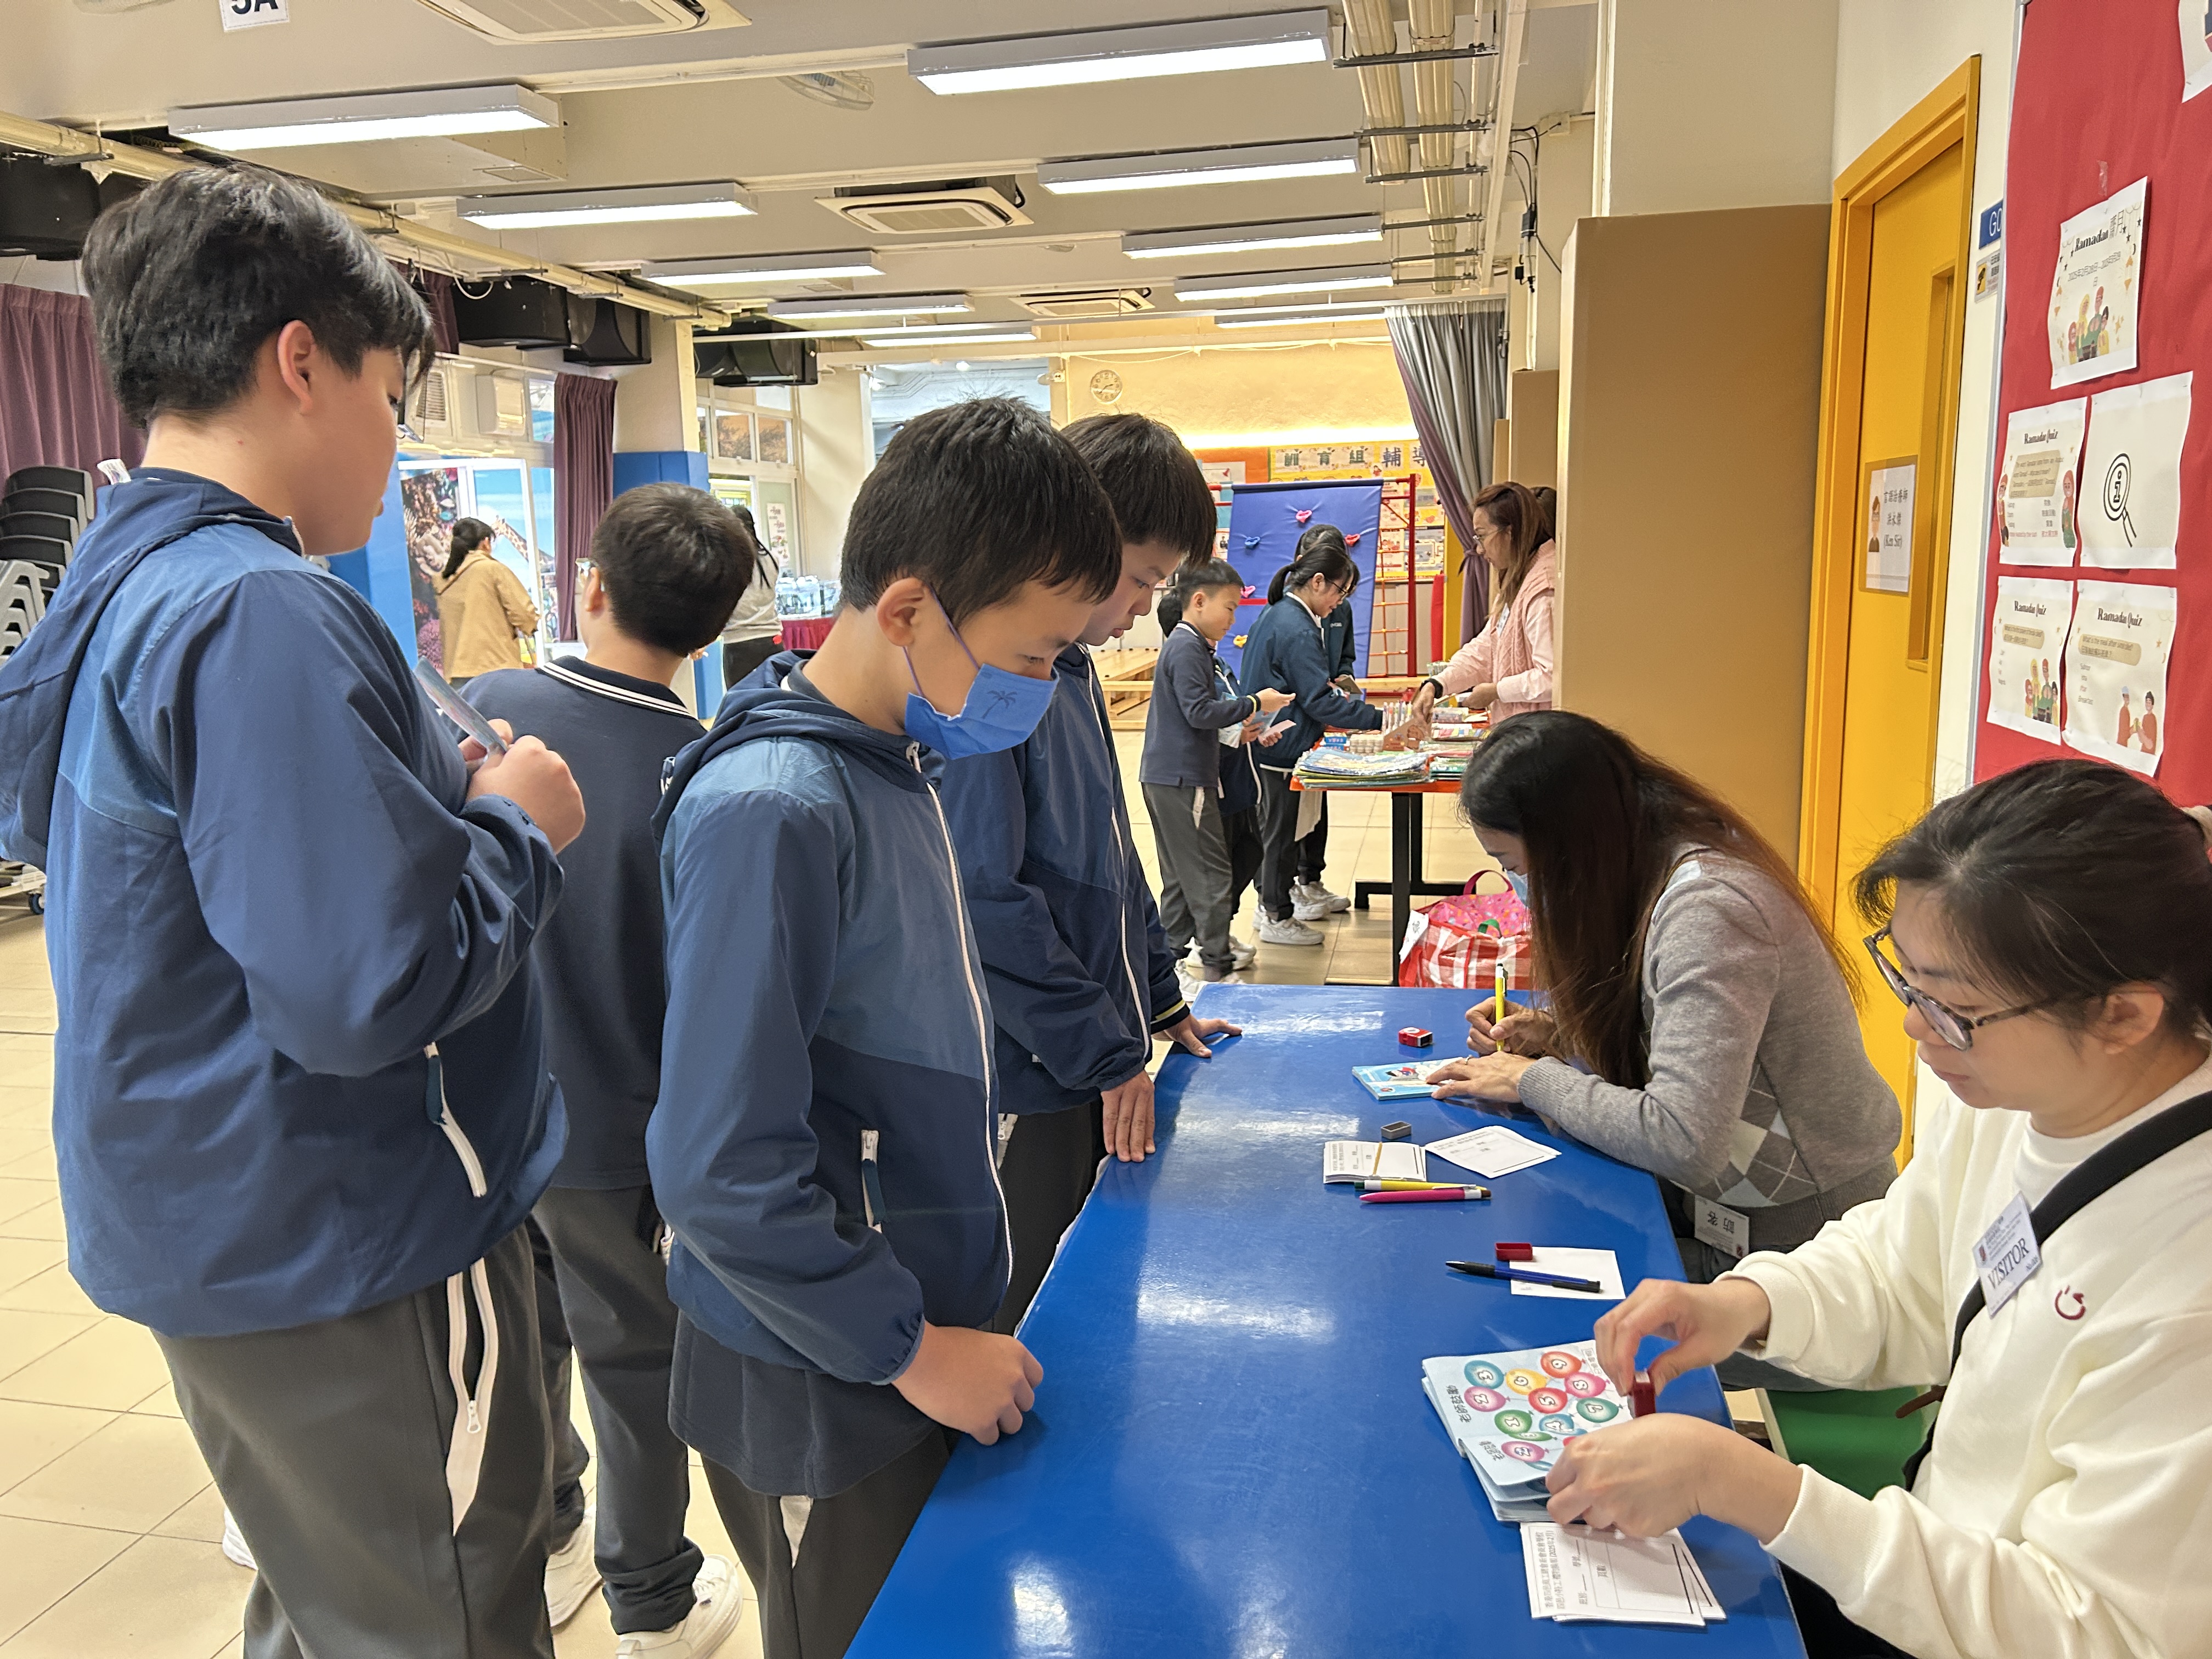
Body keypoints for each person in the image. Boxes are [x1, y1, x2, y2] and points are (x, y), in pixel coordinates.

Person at [0, 166, 585, 1657]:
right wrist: (517, 830)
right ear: (302, 361)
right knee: (444, 1612)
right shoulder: (260, 606)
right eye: (392, 400)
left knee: (341, 1606)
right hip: (346, 1224)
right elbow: (360, 991)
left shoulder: (121, 578)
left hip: (219, 1209)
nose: (397, 450)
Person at [646, 398, 1124, 1659]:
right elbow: (718, 1169)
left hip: (901, 1343)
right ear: (909, 610)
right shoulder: (774, 809)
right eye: (1035, 656)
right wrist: (908, 1350)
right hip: (818, 1382)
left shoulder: (892, 762)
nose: (1046, 689)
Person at [1546, 759, 2212, 1659]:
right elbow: (1906, 1263)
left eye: (1956, 1007)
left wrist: (1745, 1483)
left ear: (2123, 1015)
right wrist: (1748, 1302)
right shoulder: (2026, 1093)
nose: (1915, 1027)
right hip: (1933, 1561)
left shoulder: (2188, 1283)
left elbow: (2101, 1629)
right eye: (1909, 981)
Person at [466, 484, 752, 1656]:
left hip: (482, 1117)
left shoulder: (488, 708)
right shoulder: (706, 767)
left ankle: (550, 1535)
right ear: (717, 627)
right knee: (632, 1361)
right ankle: (653, 1599)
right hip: (614, 1131)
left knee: (519, 1344)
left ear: (589, 587)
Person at [1423, 712, 1900, 1379]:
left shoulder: (1710, 911)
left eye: (1513, 867)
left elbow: (1683, 1138)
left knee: (1529, 1323)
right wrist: (1560, 1034)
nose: (1517, 888)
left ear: (1572, 845)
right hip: (1719, 1219)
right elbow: (1685, 1045)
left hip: (1800, 1265)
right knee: (1514, 1271)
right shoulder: (1651, 864)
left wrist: (1529, 1080)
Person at [939, 410, 1243, 1338]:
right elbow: (984, 901)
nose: (1141, 609)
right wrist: (1101, 1050)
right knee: (1027, 1307)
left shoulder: (1065, 670)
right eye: (1141, 578)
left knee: (1086, 1291)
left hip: (1084, 1057)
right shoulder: (995, 681)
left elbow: (1110, 863)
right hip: (1025, 1071)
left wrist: (1159, 998)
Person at [1140, 557, 1293, 985]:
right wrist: (1255, 703)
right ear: (1199, 601)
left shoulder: (1193, 646)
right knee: (1210, 875)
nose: (1232, 619)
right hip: (1182, 778)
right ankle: (1216, 971)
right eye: (1229, 608)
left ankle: (1170, 970)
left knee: (1182, 876)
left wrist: (1245, 724)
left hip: (1171, 776)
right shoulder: (1188, 646)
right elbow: (1200, 712)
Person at [1238, 529, 1386, 946]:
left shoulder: (1287, 614)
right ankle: (1274, 913)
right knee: (1280, 833)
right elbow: (1318, 699)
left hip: (1284, 740)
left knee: (1291, 829)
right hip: (1279, 743)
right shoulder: (1298, 627)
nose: (1340, 602)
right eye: (1340, 591)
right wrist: (1380, 719)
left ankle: (1280, 903)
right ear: (1318, 581)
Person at [1403, 480, 1557, 736]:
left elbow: (1552, 677)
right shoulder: (1519, 578)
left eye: (1482, 536)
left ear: (1509, 533)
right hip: (1521, 729)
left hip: (1539, 733)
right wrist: (1437, 684)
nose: (1479, 548)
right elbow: (1486, 647)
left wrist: (1497, 691)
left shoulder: (1543, 588)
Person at [1291, 534, 1363, 921]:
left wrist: (1344, 680)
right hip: (1295, 718)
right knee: (1291, 806)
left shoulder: (1341, 608)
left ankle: (1312, 878)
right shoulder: (1289, 609)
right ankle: (1285, 889)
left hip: (1325, 713)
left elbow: (1345, 656)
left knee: (1318, 800)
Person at [438, 515, 542, 682]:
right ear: (486, 542)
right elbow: (524, 614)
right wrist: (530, 626)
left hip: (457, 675)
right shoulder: (493, 570)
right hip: (495, 670)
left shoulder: (444, 581)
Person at [716, 500, 785, 693]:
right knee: (774, 701)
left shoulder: (727, 562)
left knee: (741, 702)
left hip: (739, 644)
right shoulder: (771, 558)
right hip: (772, 640)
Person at [2138, 689, 2160, 754]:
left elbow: (2150, 742)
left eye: (2149, 703)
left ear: (2152, 705)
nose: (2148, 705)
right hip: (2144, 749)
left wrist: (2140, 732)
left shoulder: (2152, 718)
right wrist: (2139, 731)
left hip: (2150, 751)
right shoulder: (2145, 717)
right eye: (2147, 702)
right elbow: (2141, 740)